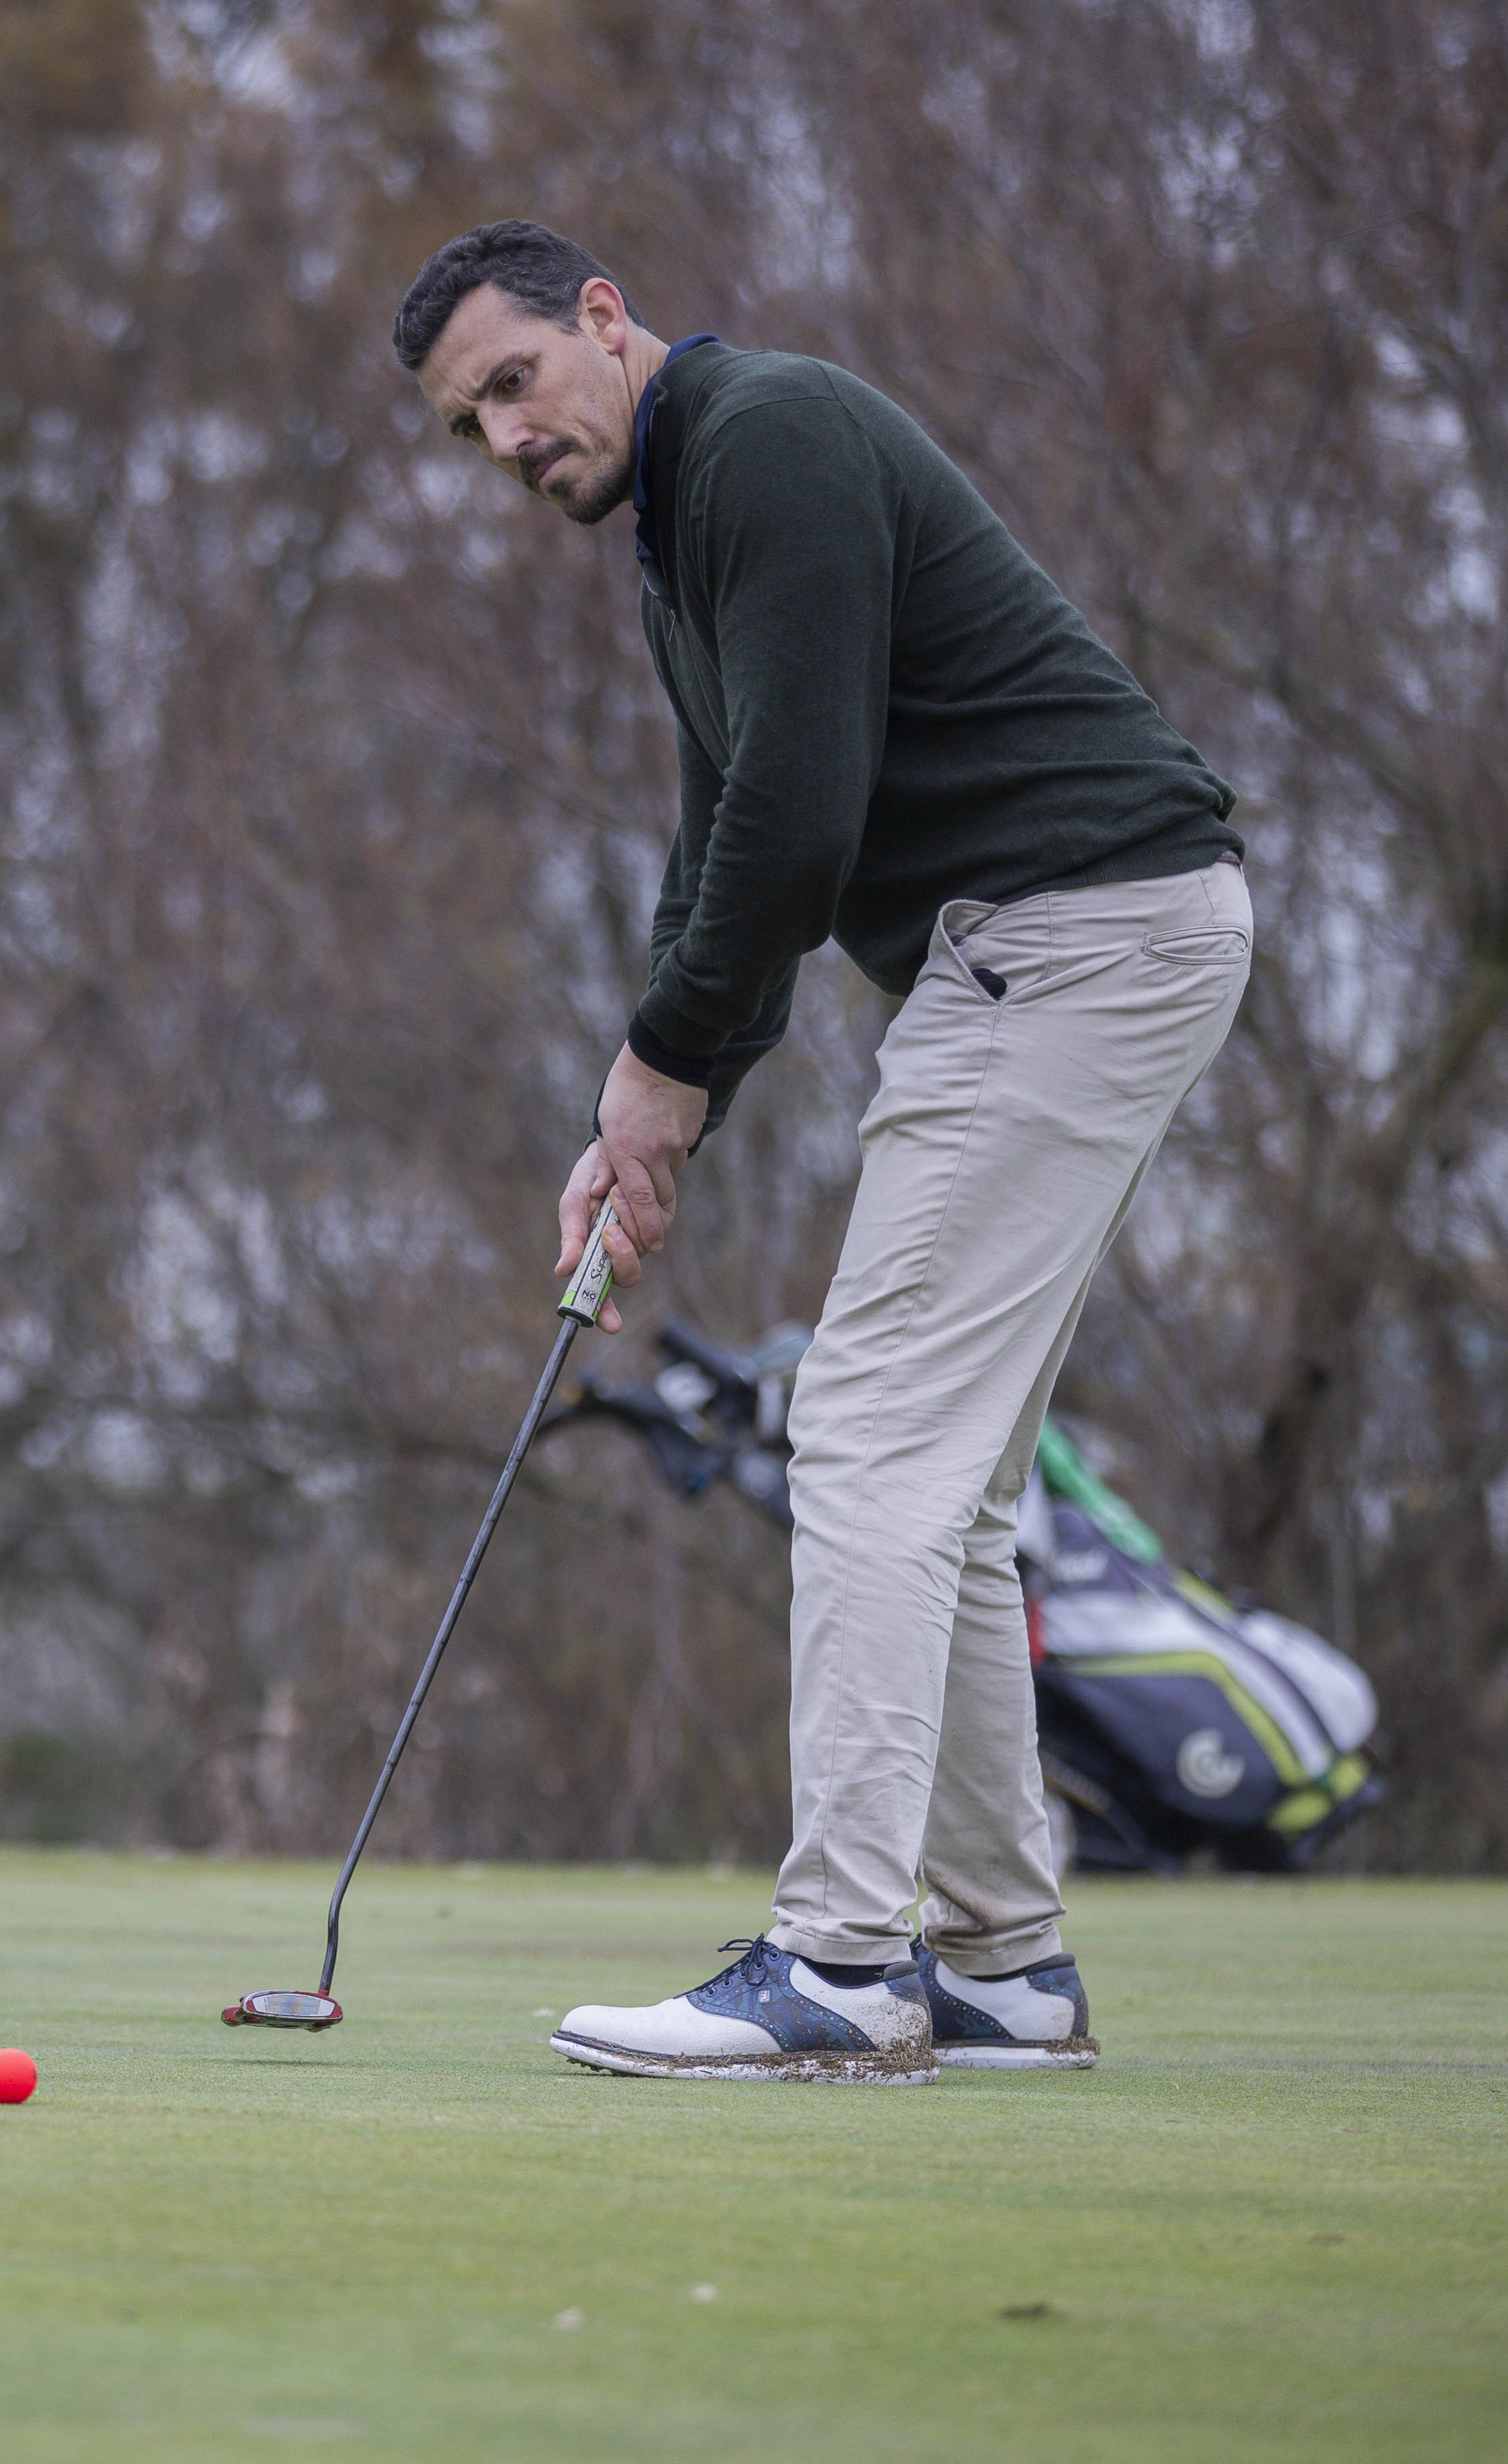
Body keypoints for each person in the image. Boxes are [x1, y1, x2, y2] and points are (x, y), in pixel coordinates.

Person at [394, 222, 1251, 2081]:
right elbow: (727, 836)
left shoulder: (766, 435)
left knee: (860, 1431)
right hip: (1054, 944)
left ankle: (847, 1963)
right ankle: (1005, 1971)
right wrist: (647, 1116)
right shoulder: (683, 527)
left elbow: (800, 814)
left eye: (518, 383)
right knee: (941, 1483)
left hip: (1070, 932)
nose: (507, 441)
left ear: (605, 320)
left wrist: (671, 1068)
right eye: (472, 425)